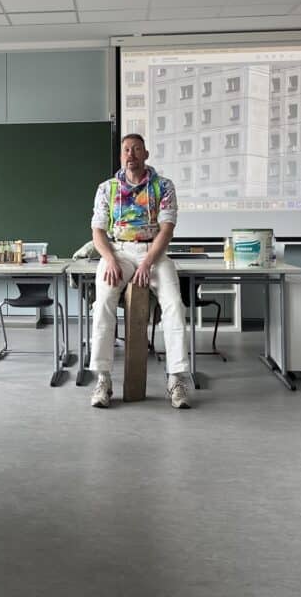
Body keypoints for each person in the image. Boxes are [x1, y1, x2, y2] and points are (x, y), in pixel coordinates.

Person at [88, 133, 191, 409]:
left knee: (174, 305)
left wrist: (146, 263)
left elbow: (166, 229)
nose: (130, 154)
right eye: (126, 150)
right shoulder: (107, 188)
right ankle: (103, 379)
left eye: (136, 149)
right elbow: (98, 232)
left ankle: (176, 380)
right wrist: (110, 259)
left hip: (153, 252)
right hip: (118, 252)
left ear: (146, 154)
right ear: (121, 156)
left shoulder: (163, 186)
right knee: (103, 303)